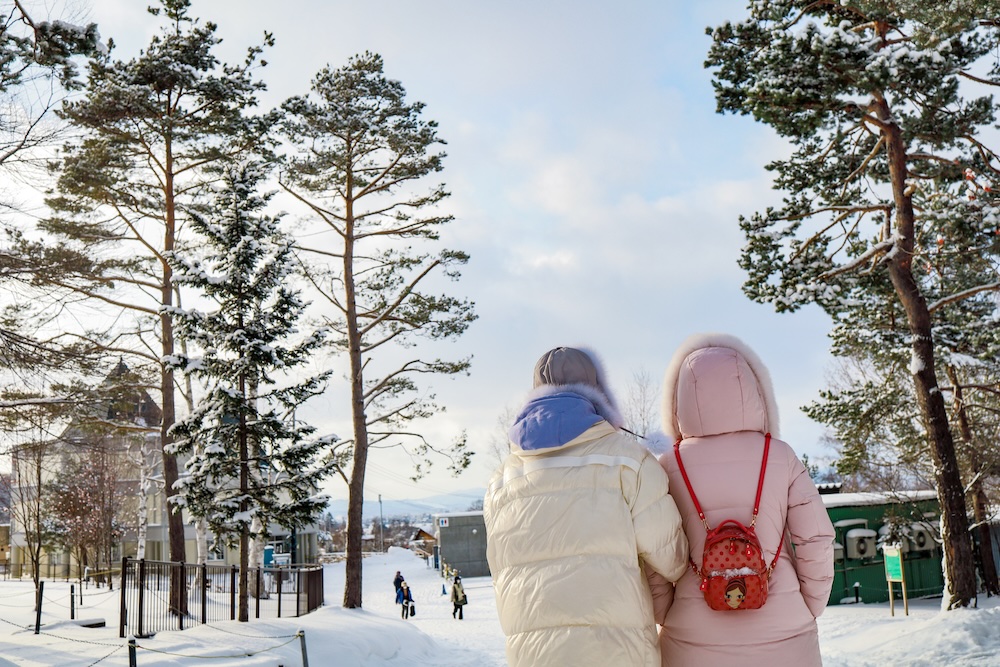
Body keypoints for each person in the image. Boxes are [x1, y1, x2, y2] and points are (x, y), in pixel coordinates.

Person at [484, 346, 689, 667]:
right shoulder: (627, 457)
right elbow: (672, 558)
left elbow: (500, 569)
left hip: (533, 652)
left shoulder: (502, 478)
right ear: (598, 392)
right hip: (618, 648)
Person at [648, 333, 835, 667]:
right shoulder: (780, 456)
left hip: (692, 639)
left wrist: (666, 611)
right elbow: (816, 538)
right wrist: (809, 605)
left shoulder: (668, 465)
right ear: (756, 393)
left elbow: (656, 550)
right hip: (785, 637)